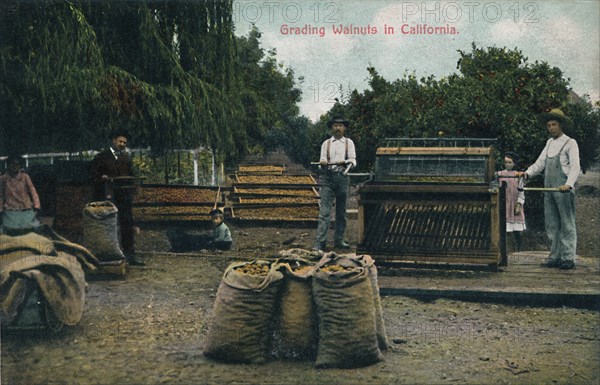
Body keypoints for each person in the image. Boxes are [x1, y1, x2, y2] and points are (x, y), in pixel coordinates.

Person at [517, 108, 580, 270]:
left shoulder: (570, 143)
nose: (551, 127)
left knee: (566, 223)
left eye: (554, 124)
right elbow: (540, 163)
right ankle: (555, 256)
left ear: (561, 125)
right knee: (552, 224)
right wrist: (527, 173)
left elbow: (575, 168)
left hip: (563, 189)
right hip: (549, 190)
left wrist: (569, 184)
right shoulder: (549, 143)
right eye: (549, 125)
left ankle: (568, 257)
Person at [90, 130, 144, 265]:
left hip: (124, 197)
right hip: (108, 196)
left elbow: (130, 175)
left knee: (127, 225)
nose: (122, 144)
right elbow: (93, 175)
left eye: (125, 143)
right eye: (120, 141)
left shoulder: (126, 158)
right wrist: (103, 178)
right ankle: (108, 255)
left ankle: (130, 257)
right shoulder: (101, 157)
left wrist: (133, 185)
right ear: (113, 141)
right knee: (108, 225)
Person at [313, 116, 357, 252]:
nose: (338, 128)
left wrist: (345, 164)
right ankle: (320, 243)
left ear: (344, 128)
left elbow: (353, 161)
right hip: (328, 179)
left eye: (340, 126)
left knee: (341, 212)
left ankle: (339, 240)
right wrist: (323, 164)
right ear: (331, 128)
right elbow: (321, 163)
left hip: (343, 178)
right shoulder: (326, 144)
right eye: (335, 126)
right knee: (324, 212)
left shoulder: (349, 143)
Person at [0, 155, 41, 233]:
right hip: (10, 211)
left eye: (17, 164)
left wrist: (37, 205)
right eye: (12, 163)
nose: (14, 166)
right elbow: (0, 195)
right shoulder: (3, 178)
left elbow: (33, 191)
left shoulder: (25, 177)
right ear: (8, 165)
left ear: (20, 165)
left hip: (26, 210)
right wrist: (0, 209)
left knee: (33, 230)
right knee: (7, 231)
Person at [497, 151, 526, 251]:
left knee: (518, 231)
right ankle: (506, 251)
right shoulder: (500, 174)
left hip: (514, 204)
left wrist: (518, 204)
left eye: (510, 162)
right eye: (506, 162)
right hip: (505, 204)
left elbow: (521, 191)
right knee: (505, 230)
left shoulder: (518, 175)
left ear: (514, 163)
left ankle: (519, 250)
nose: (507, 164)